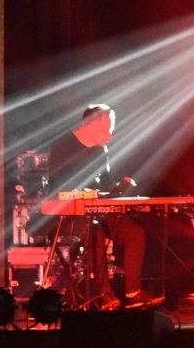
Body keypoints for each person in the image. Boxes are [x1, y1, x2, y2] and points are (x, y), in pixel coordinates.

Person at [45, 104, 153, 306]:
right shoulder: (63, 146)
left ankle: (132, 292)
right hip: (68, 216)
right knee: (95, 232)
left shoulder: (101, 150)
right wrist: (78, 193)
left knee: (134, 233)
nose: (110, 136)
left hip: (98, 213)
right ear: (90, 125)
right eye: (107, 130)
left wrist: (121, 187)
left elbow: (104, 188)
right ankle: (104, 295)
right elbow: (56, 188)